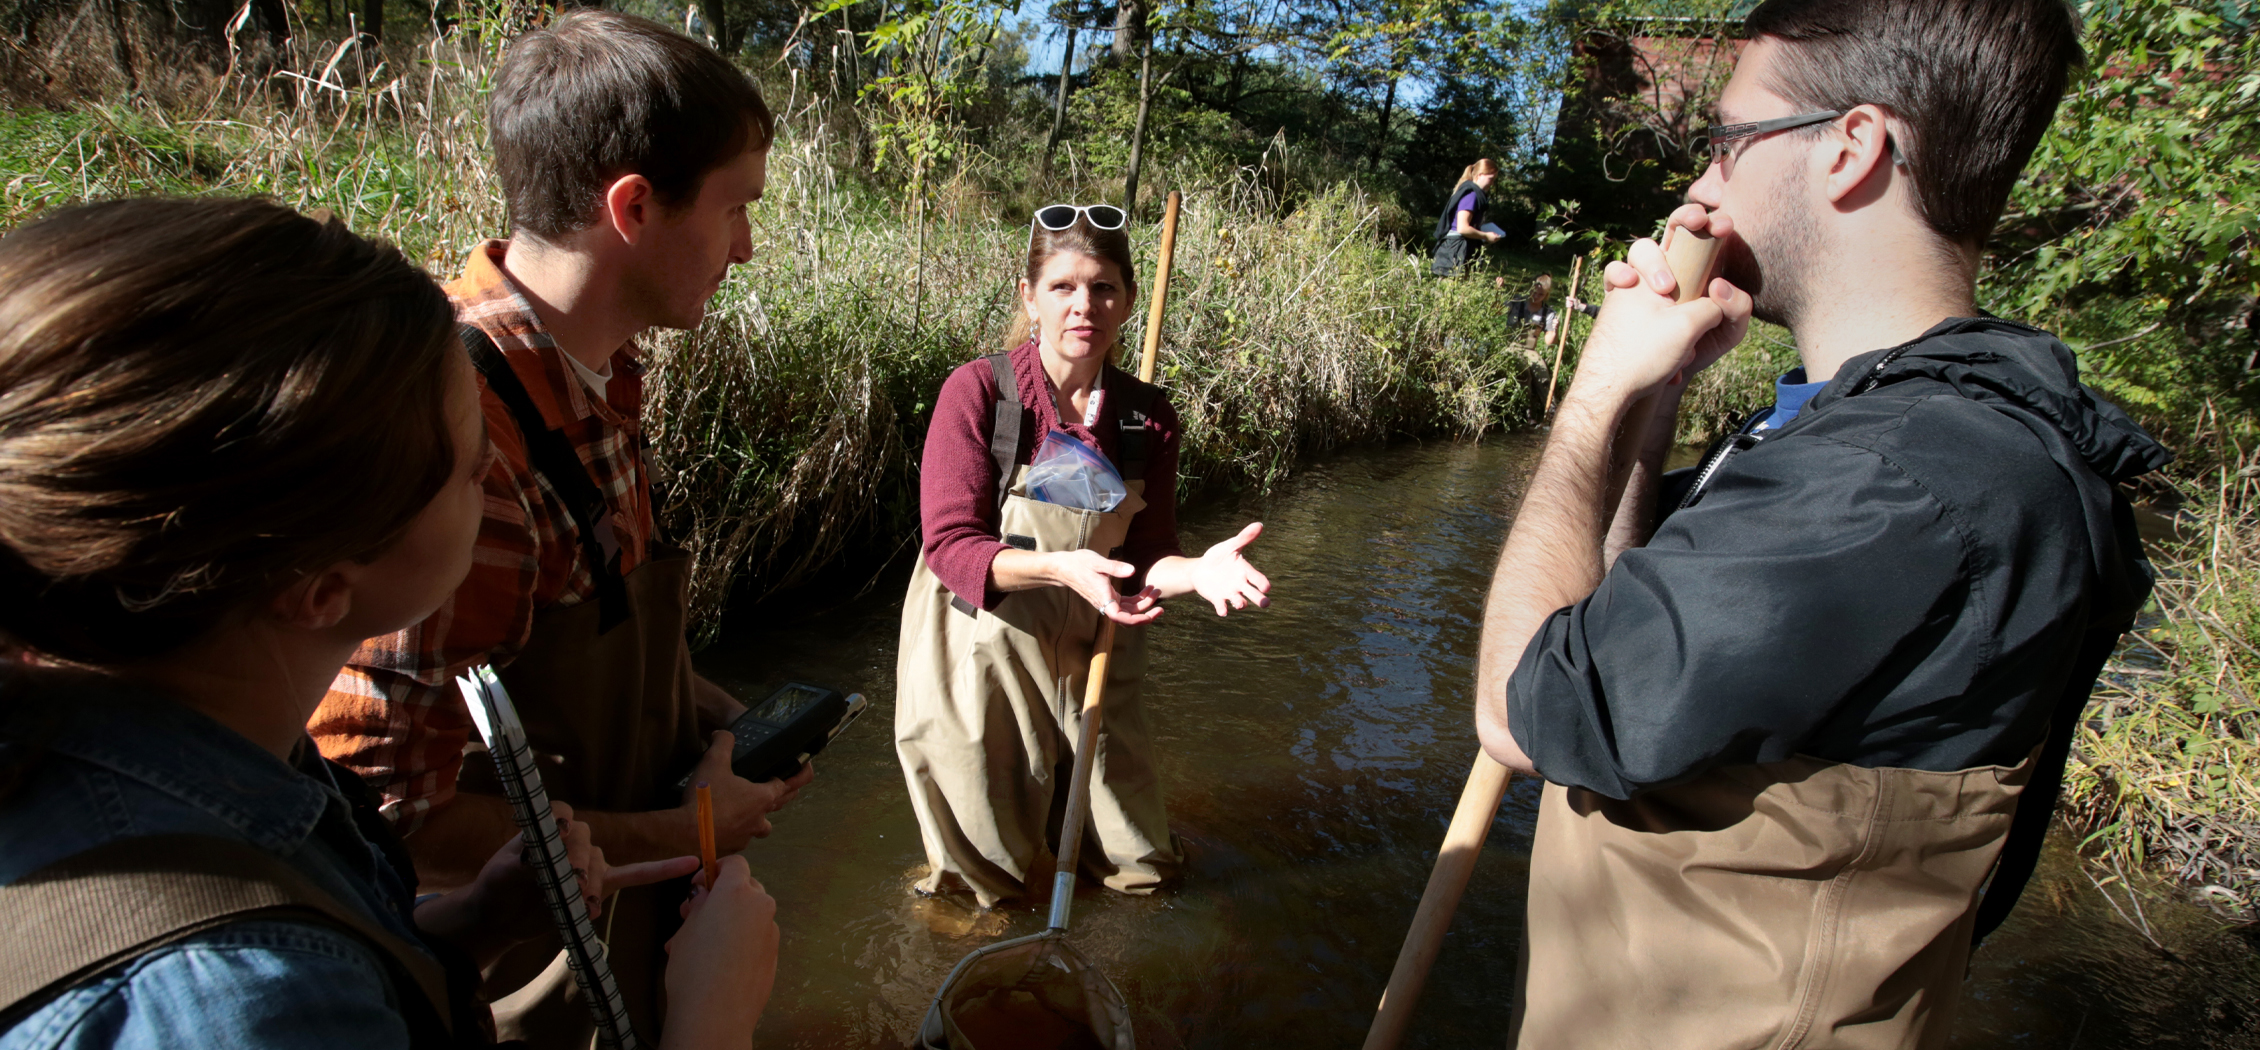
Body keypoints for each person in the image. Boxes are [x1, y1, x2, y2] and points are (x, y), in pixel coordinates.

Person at [1471, 1, 2169, 1047]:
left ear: (1851, 149)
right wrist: (1647, 402)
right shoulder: (1839, 425)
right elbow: (1609, 632)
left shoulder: (1901, 478)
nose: (1699, 188)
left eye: (1725, 142)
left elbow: (1525, 715)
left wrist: (1588, 398)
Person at [0, 198, 778, 1050]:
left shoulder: (207, 752)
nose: (492, 465)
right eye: (463, 463)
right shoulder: (249, 1002)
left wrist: (471, 922)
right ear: (323, 590)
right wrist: (713, 1013)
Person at [307, 10, 809, 1042]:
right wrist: (687, 830)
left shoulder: (596, 373)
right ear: (632, 206)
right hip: (533, 981)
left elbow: (592, 627)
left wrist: (723, 717)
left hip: (631, 936)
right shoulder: (461, 438)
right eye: (733, 210)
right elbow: (384, 813)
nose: (748, 249)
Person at [895, 205, 1274, 909]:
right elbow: (950, 547)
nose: (1084, 306)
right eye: (1064, 286)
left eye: (1102, 288)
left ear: (1128, 300)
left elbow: (1149, 553)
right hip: (984, 651)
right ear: (1029, 295)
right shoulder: (980, 394)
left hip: (1098, 649)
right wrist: (1062, 568)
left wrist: (1196, 573)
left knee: (1141, 867)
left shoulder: (1148, 416)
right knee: (982, 885)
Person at [1430, 158, 1504, 277]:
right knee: (1449, 292)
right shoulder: (1472, 195)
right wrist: (1486, 236)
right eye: (1491, 179)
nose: (1492, 183)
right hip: (1455, 249)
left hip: (1460, 247)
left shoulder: (1473, 193)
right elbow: (1463, 228)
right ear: (1480, 175)